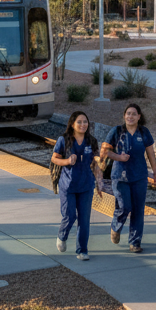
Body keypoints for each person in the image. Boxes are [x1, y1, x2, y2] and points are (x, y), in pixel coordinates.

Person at [103, 103, 156, 253]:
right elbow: (105, 151)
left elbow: (151, 153)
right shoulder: (116, 131)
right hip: (120, 176)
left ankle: (135, 242)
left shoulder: (144, 132)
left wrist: (155, 171)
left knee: (138, 210)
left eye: (134, 114)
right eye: (128, 113)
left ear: (139, 117)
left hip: (139, 176)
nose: (130, 116)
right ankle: (116, 226)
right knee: (124, 206)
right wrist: (119, 157)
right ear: (124, 115)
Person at [51, 111, 103, 261]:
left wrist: (99, 183)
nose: (82, 125)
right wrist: (67, 161)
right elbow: (55, 159)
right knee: (70, 215)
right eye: (79, 122)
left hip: (86, 185)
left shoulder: (91, 141)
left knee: (84, 219)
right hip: (68, 185)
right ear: (72, 124)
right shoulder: (64, 140)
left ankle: (82, 250)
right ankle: (62, 235)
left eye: (85, 122)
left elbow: (95, 164)